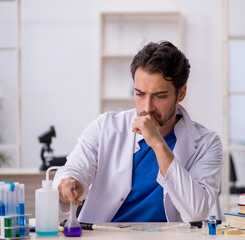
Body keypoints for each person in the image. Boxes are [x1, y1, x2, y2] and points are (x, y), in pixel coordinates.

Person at [53, 41, 223, 223]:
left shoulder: (207, 143)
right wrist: (68, 184)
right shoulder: (105, 126)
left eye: (159, 96)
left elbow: (197, 212)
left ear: (181, 94)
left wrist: (158, 144)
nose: (147, 107)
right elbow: (75, 169)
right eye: (140, 94)